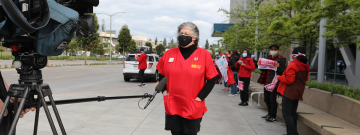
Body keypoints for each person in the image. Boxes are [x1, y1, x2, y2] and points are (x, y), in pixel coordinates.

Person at [157, 22, 218, 135]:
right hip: (173, 103)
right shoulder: (169, 54)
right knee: (175, 133)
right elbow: (161, 74)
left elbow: (212, 79)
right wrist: (164, 92)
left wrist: (200, 98)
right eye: (181, 33)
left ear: (194, 37)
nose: (183, 36)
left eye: (186, 33)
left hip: (192, 105)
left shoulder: (204, 55)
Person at [277, 47, 310, 135]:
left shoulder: (293, 65)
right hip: (298, 92)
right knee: (292, 113)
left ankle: (293, 133)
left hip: (289, 92)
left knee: (287, 114)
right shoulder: (306, 66)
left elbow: (289, 80)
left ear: (294, 56)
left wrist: (279, 77)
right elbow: (305, 78)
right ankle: (290, 133)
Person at [257, 44, 287, 122]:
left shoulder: (281, 60)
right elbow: (263, 70)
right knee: (266, 99)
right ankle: (269, 113)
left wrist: (278, 66)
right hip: (267, 81)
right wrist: (259, 65)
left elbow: (283, 72)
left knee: (272, 100)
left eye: (275, 49)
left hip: (274, 82)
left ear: (278, 50)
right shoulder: (267, 58)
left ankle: (273, 115)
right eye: (272, 49)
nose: (273, 51)